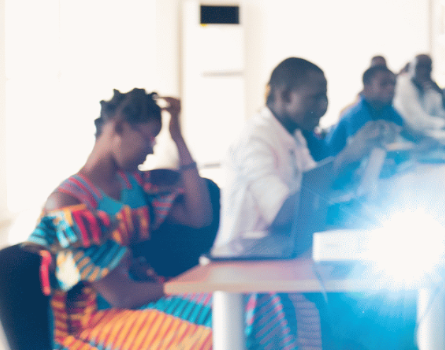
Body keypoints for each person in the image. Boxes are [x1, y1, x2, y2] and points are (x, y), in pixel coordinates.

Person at [25, 90, 314, 349]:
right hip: (97, 327)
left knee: (264, 297)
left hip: (142, 309)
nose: (152, 148)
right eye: (149, 137)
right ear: (119, 127)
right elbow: (121, 296)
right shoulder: (67, 203)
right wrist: (186, 285)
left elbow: (199, 217)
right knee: (239, 309)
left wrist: (178, 137)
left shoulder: (134, 185)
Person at [214, 57, 389, 257]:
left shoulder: (295, 134)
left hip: (285, 248)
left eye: (325, 98)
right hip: (244, 259)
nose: (323, 107)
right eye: (316, 98)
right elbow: (280, 215)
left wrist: (359, 171)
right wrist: (345, 159)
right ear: (286, 96)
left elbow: (314, 192)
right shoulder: (254, 138)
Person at [327, 65, 410, 155]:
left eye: (393, 84)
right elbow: (360, 155)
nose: (391, 88)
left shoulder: (388, 109)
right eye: (383, 84)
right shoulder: (355, 115)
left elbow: (408, 133)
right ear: (367, 88)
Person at [394, 54, 445, 137]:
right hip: (409, 139)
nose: (424, 71)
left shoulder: (429, 86)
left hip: (431, 136)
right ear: (411, 68)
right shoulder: (402, 85)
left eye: (427, 68)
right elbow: (417, 121)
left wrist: (442, 94)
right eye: (419, 67)